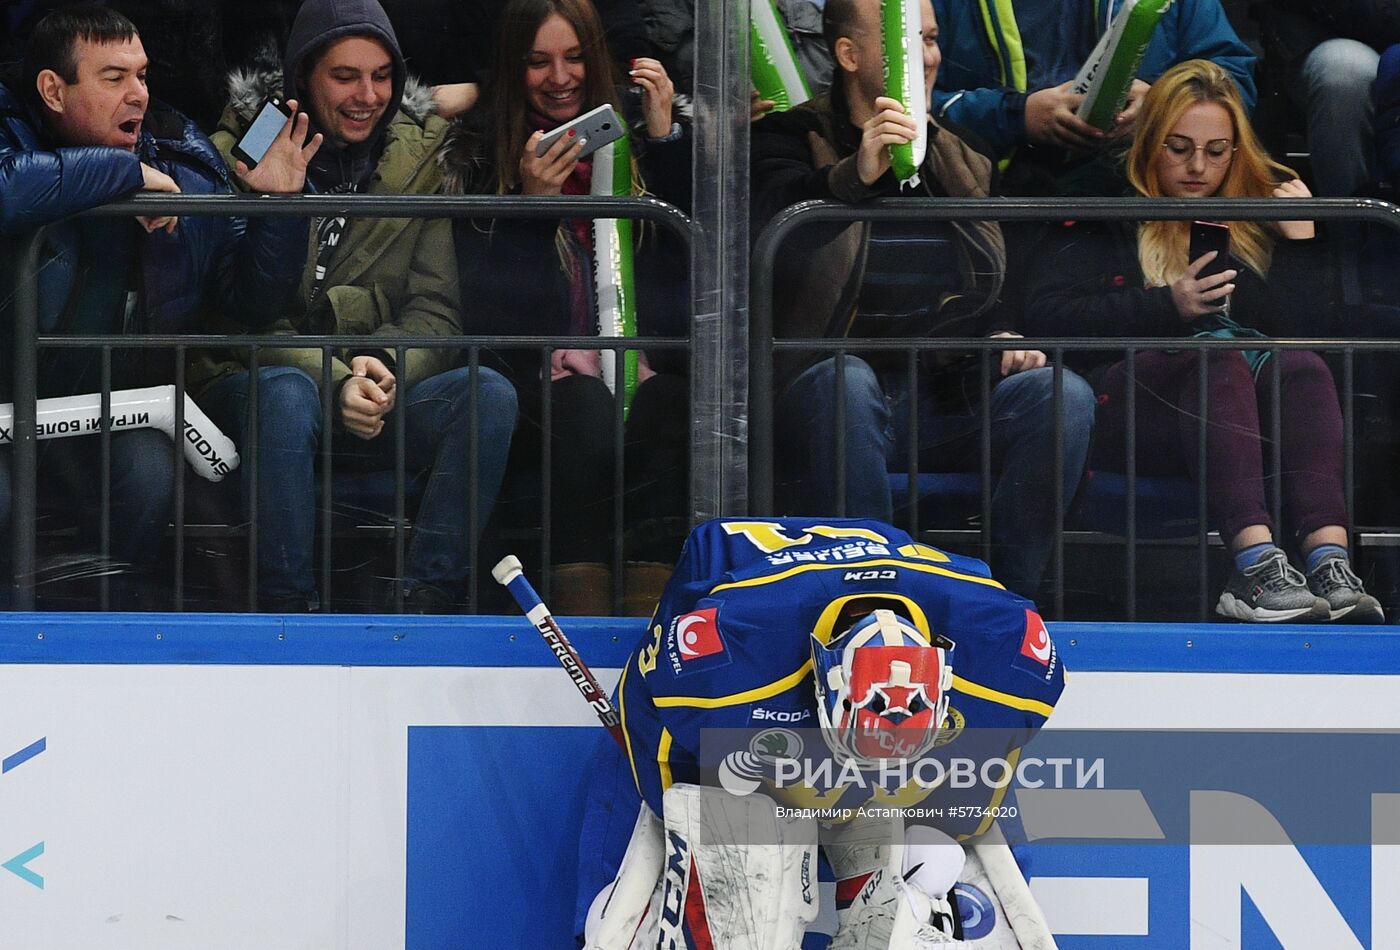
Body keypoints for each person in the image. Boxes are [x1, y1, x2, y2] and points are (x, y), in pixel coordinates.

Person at [573, 517, 1065, 946]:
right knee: (721, 869)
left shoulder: (1008, 655)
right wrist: (686, 819)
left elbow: (988, 769)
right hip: (746, 590)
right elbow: (643, 714)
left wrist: (939, 822)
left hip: (884, 588)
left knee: (952, 862)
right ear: (823, 677)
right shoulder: (724, 651)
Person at [750, 0, 1096, 602]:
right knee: (847, 381)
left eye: (932, 40)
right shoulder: (787, 136)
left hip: (941, 395)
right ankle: (871, 604)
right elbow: (780, 222)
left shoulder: (964, 150)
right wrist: (855, 174)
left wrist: (1004, 334)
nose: (928, 57)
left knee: (1061, 393)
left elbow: (1002, 275)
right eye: (906, 41)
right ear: (849, 55)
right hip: (823, 397)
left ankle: (1007, 605)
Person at [1022, 59, 1385, 623]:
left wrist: (1304, 243)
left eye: (1217, 152)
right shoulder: (1102, 205)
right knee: (1216, 361)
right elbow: (1047, 314)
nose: (1198, 167)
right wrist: (1167, 305)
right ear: (1149, 142)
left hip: (1234, 412)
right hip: (1121, 406)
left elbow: (1311, 334)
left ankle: (1329, 564)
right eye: (1179, 147)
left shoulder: (1255, 211)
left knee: (1304, 369)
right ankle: (1256, 569)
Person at [200, 0, 518, 613]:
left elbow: (435, 308)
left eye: (382, 76)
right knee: (288, 394)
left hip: (370, 388)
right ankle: (288, 611)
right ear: (301, 79)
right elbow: (227, 317)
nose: (367, 95)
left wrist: (382, 362)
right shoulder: (239, 150)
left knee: (487, 394)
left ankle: (428, 601)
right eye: (344, 76)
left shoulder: (424, 155)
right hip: (248, 384)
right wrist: (336, 377)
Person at [0, 4, 315, 608]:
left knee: (148, 472)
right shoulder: (11, 127)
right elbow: (10, 185)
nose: (138, 95)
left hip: (113, 415)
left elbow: (248, 300)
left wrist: (278, 209)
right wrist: (123, 174)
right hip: (4, 410)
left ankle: (98, 623)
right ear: (52, 89)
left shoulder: (182, 152)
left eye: (142, 75)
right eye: (114, 78)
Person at [440, 0, 691, 616]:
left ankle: (649, 621)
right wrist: (531, 210)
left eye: (575, 58)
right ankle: (578, 619)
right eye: (538, 62)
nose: (560, 78)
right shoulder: (476, 157)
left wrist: (666, 145)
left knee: (673, 404)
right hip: (535, 387)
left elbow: (691, 282)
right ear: (512, 68)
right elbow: (491, 319)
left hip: (639, 368)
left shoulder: (644, 146)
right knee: (582, 408)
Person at [930, 0, 1256, 194]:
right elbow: (904, 102)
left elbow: (1233, 77)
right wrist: (1017, 115)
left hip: (1144, 193)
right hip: (993, 193)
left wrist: (1162, 106)